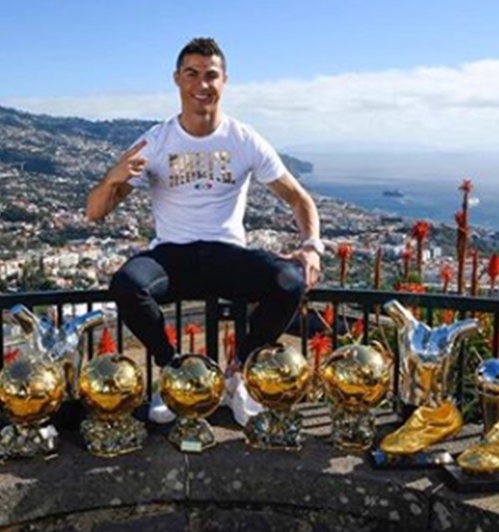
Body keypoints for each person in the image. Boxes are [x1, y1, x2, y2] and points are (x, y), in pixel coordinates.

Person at [86, 37, 324, 426]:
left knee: (289, 281)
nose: (202, 84)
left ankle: (236, 373)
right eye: (192, 74)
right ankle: (174, 372)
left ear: (224, 81)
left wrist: (312, 246)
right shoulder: (156, 141)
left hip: (227, 253)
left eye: (211, 75)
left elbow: (299, 199)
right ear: (177, 80)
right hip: (171, 256)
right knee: (128, 284)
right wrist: (111, 178)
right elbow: (95, 212)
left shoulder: (244, 139)